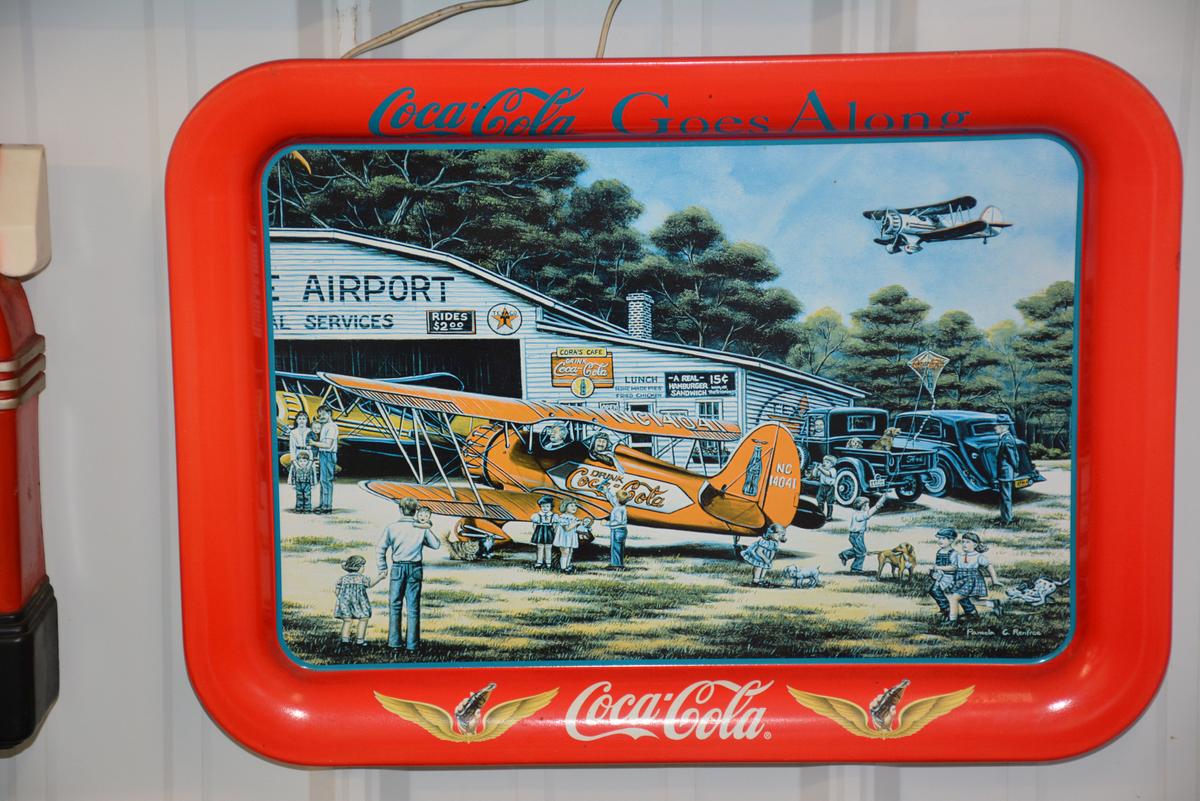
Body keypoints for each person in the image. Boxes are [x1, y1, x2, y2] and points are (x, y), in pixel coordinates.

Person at [375, 497, 441, 651]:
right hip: (416, 569)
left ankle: (394, 643)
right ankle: (412, 644)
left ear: (400, 509)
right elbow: (436, 545)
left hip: (397, 568)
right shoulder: (420, 528)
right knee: (413, 608)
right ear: (416, 511)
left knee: (395, 605)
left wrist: (382, 567)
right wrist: (426, 528)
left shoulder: (392, 527)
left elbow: (380, 548)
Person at [946, 532, 1004, 623]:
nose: (964, 544)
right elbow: (954, 567)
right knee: (973, 600)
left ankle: (952, 620)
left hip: (972, 580)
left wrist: (995, 580)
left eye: (968, 542)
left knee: (954, 598)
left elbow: (989, 567)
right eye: (963, 542)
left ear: (975, 544)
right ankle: (993, 604)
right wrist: (939, 568)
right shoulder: (959, 555)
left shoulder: (978, 556)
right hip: (961, 580)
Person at [927, 527, 975, 623]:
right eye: (939, 538)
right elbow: (938, 565)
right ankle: (946, 609)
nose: (940, 541)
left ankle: (971, 613)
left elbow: (954, 567)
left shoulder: (954, 554)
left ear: (951, 540)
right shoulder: (939, 552)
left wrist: (939, 568)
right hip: (942, 577)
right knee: (934, 590)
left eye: (943, 538)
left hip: (953, 578)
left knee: (959, 596)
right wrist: (933, 572)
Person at [334, 555, 384, 645]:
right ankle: (360, 640)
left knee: (347, 620)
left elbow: (337, 590)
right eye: (363, 566)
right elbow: (370, 584)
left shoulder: (343, 578)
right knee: (364, 619)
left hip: (345, 603)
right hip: (359, 603)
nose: (363, 568)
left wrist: (341, 598)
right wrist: (380, 577)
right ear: (358, 567)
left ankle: (345, 640)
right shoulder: (361, 578)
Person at [839, 494, 886, 573]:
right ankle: (855, 568)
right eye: (867, 505)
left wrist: (882, 499)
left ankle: (844, 555)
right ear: (863, 506)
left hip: (856, 535)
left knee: (858, 550)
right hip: (857, 536)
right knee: (862, 552)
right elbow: (868, 514)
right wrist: (877, 506)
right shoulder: (859, 515)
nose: (868, 506)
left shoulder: (857, 514)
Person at [311, 405, 340, 514]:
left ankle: (327, 506)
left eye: (323, 414)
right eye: (319, 415)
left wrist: (314, 443)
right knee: (323, 480)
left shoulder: (332, 427)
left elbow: (328, 445)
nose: (321, 417)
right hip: (324, 454)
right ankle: (323, 504)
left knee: (326, 481)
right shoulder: (325, 426)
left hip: (328, 454)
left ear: (329, 414)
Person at [600, 474, 631, 569]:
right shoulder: (619, 506)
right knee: (618, 547)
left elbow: (618, 522)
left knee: (616, 547)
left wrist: (606, 523)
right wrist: (605, 489)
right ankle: (618, 564)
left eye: (616, 496)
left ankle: (616, 565)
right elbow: (611, 498)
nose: (615, 498)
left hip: (618, 530)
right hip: (621, 530)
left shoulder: (618, 509)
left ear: (618, 499)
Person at [994, 424, 1021, 526]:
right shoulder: (1005, 438)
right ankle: (1005, 518)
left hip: (1006, 472)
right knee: (1004, 496)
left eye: (996, 426)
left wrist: (1016, 468)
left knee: (1005, 497)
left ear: (1003, 427)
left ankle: (1007, 520)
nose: (995, 428)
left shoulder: (1007, 439)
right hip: (1004, 472)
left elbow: (1012, 457)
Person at [554, 499, 583, 574]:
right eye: (572, 505)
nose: (574, 507)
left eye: (575, 506)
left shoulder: (574, 517)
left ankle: (567, 566)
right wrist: (576, 524)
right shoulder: (563, 517)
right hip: (564, 537)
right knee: (565, 552)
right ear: (565, 506)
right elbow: (567, 528)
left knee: (570, 551)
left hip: (571, 537)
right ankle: (563, 568)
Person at [530, 495, 557, 569]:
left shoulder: (553, 516)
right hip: (540, 531)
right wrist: (536, 531)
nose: (545, 508)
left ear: (551, 507)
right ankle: (539, 562)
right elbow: (534, 525)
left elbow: (555, 526)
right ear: (540, 506)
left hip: (549, 531)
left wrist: (554, 532)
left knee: (548, 547)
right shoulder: (537, 515)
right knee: (540, 547)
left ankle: (548, 562)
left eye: (547, 506)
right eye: (543, 506)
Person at [288, 447, 317, 513]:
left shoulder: (309, 467)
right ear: (297, 461)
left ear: (307, 461)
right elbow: (293, 476)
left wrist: (312, 484)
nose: (302, 463)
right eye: (300, 461)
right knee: (299, 496)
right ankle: (299, 508)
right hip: (298, 484)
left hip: (307, 484)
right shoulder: (296, 468)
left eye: (304, 461)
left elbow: (311, 476)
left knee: (307, 496)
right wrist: (293, 484)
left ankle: (307, 508)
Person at [813, 455, 837, 520]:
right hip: (822, 486)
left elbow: (827, 474)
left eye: (827, 462)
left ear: (832, 464)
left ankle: (829, 516)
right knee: (819, 499)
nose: (824, 463)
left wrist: (820, 469)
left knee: (829, 501)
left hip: (830, 488)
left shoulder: (833, 470)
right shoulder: (822, 470)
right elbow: (814, 475)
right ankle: (820, 513)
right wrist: (816, 468)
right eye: (824, 462)